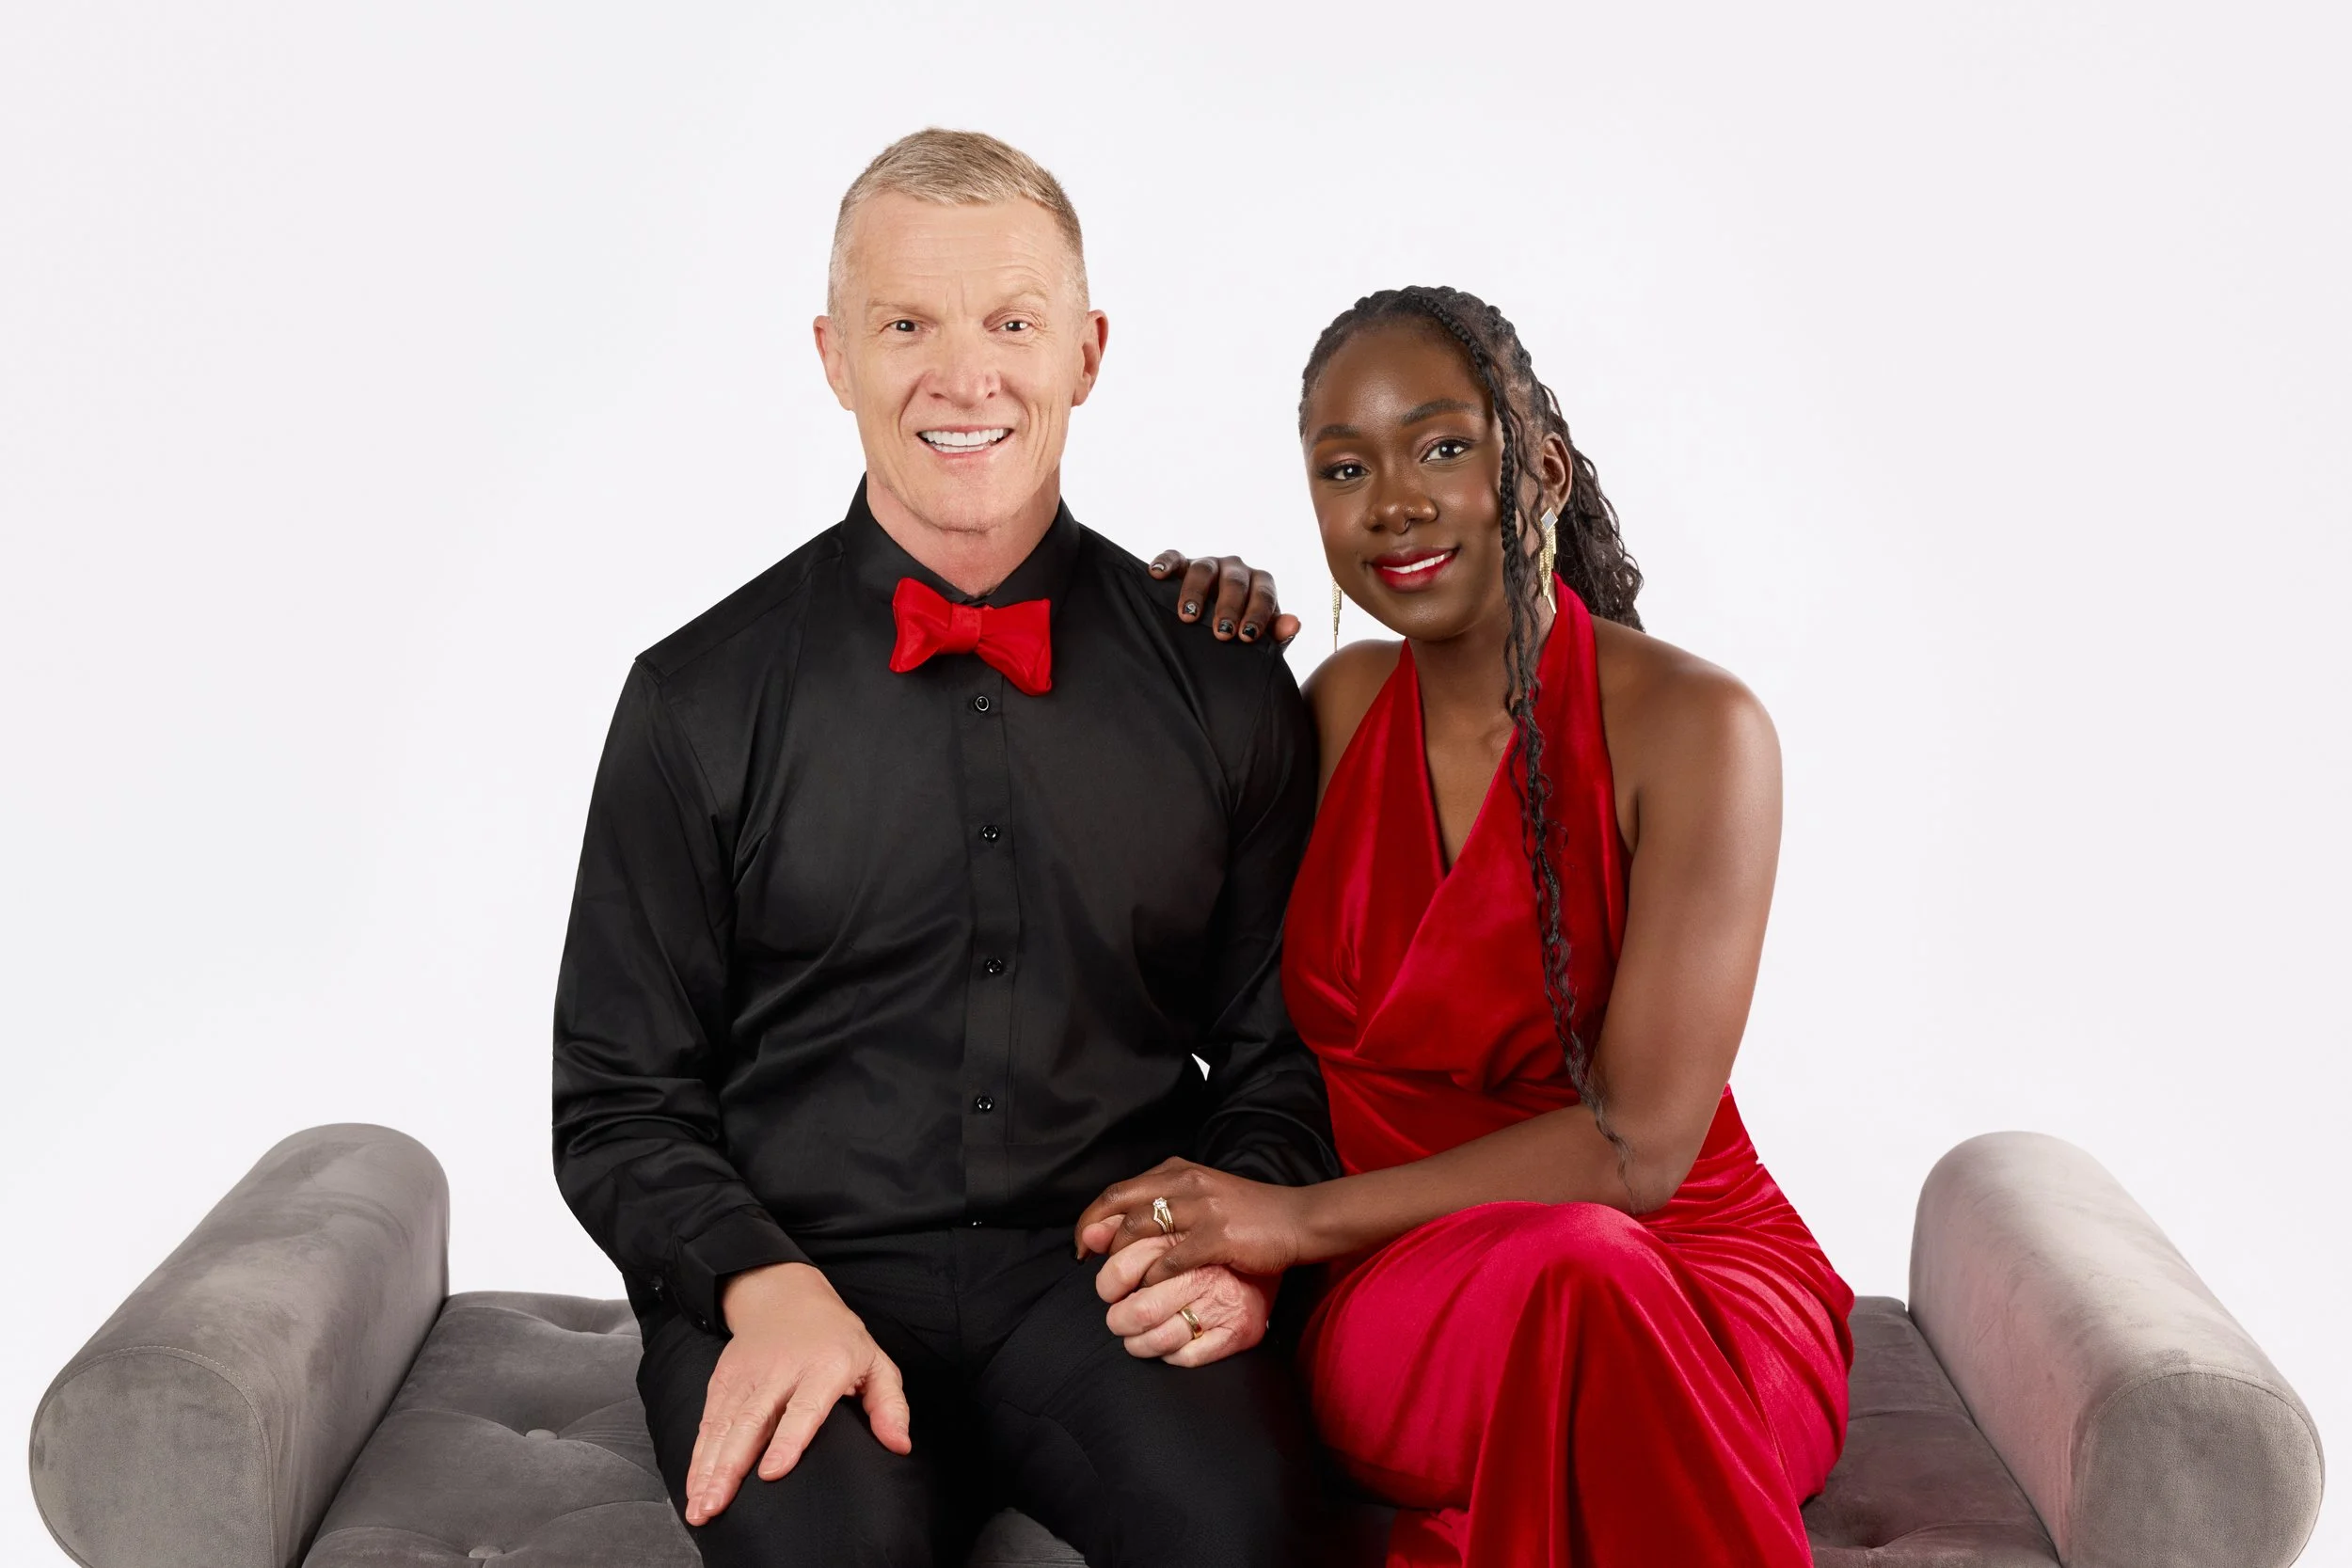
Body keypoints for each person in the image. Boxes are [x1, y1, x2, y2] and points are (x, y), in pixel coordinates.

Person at [551, 128, 1333, 1568]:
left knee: (1252, 1534)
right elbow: (617, 1102)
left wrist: (1239, 1242)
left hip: (1105, 1281)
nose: (964, 376)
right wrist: (756, 1281)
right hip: (794, 1273)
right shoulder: (695, 699)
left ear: (1087, 351)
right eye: (905, 321)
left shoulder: (1221, 682)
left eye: (1013, 322)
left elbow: (1282, 1055)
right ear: (832, 353)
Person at [1077, 285, 1857, 1568]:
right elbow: (1139, 947)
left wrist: (1286, 1225)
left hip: (1700, 1293)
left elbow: (1640, 1152)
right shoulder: (1329, 705)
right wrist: (1190, 657)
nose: (1392, 501)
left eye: (1443, 445)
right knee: (1569, 1277)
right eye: (1345, 468)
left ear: (1540, 464)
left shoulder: (1699, 730)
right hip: (1412, 1296)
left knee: (1588, 1270)